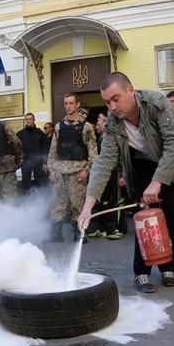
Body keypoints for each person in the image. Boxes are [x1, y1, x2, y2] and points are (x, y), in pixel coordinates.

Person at [78, 72, 174, 293]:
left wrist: (158, 182)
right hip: (141, 167)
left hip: (171, 162)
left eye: (115, 99)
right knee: (144, 219)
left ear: (131, 90)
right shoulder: (113, 122)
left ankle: (168, 266)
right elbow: (104, 161)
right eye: (107, 102)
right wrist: (88, 206)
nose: (111, 107)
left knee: (172, 218)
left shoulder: (157, 103)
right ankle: (141, 273)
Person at [48, 93, 98, 243]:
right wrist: (52, 170)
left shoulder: (86, 127)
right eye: (66, 103)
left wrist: (86, 171)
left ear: (77, 105)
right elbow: (52, 150)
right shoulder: (58, 127)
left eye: (71, 103)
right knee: (58, 203)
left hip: (78, 171)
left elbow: (93, 153)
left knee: (78, 204)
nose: (68, 106)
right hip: (60, 171)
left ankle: (79, 233)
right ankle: (56, 233)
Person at [86, 112, 123, 240]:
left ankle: (110, 229)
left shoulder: (110, 137)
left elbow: (120, 157)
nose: (98, 123)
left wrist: (122, 174)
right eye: (98, 119)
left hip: (111, 173)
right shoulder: (98, 138)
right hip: (101, 174)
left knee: (110, 202)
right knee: (100, 201)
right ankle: (99, 229)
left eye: (101, 120)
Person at [16, 113, 46, 193]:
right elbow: (16, 148)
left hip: (38, 161)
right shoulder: (20, 134)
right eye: (27, 119)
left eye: (30, 119)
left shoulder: (40, 133)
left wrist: (45, 162)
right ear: (25, 120)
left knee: (40, 183)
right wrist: (19, 159)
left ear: (34, 120)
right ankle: (26, 202)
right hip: (26, 161)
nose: (29, 121)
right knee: (25, 183)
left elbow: (44, 148)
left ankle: (42, 200)